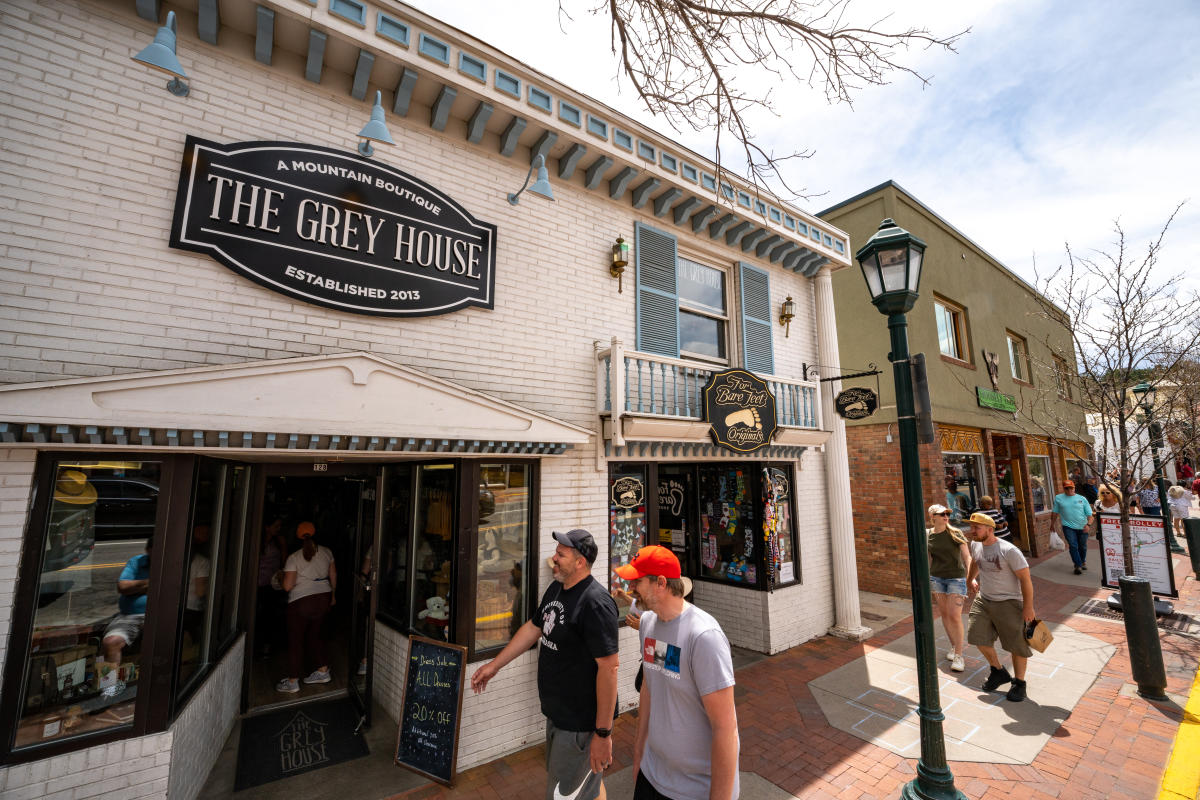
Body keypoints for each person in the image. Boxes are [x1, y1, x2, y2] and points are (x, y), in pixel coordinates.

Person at [471, 529, 619, 800]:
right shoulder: (558, 589)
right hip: (557, 715)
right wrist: (495, 665)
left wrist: (603, 733)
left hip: (580, 725)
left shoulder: (596, 604)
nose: (554, 559)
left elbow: (609, 670)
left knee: (564, 794)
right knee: (587, 787)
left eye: (560, 555)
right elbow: (533, 627)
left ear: (580, 562)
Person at [618, 546, 738, 800]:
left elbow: (725, 728)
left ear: (660, 583)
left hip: (694, 790)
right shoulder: (648, 625)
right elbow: (650, 685)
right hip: (651, 776)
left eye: (637, 581)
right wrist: (639, 750)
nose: (631, 589)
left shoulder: (704, 637)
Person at [965, 512, 1035, 703]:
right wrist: (970, 578)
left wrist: (1028, 607)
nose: (972, 531)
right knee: (977, 636)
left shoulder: (1009, 550)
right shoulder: (975, 544)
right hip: (984, 599)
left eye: (976, 528)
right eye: (971, 527)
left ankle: (1019, 683)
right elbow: (975, 560)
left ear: (989, 529)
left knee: (1016, 645)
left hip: (1009, 602)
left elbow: (1025, 579)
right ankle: (998, 671)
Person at [277, 521, 336, 693]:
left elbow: (288, 586)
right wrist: (333, 595)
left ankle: (293, 681)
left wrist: (280, 578)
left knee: (296, 640)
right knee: (316, 635)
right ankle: (323, 671)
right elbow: (333, 574)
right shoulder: (327, 551)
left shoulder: (293, 557)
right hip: (323, 597)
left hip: (301, 602)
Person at [100, 537, 152, 693]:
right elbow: (122, 586)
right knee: (110, 641)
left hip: (159, 615)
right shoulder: (137, 562)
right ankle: (107, 690)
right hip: (130, 616)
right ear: (148, 551)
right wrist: (149, 583)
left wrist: (136, 587)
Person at [927, 505, 971, 673]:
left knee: (954, 616)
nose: (946, 516)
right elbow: (929, 559)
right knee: (945, 614)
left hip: (956, 579)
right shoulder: (928, 535)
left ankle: (959, 655)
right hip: (937, 579)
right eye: (942, 514)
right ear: (933, 517)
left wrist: (970, 577)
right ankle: (954, 647)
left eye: (947, 514)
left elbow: (967, 556)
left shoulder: (956, 533)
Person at [255, 516, 287, 658]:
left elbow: (285, 562)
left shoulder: (279, 541)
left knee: (268, 616)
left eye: (279, 526)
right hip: (255, 584)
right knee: (256, 615)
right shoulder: (257, 540)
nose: (278, 529)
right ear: (267, 527)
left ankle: (266, 647)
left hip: (272, 584)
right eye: (276, 526)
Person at [1051, 481, 1094, 575]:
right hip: (1068, 527)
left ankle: (1082, 561)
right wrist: (1052, 524)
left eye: (1071, 488)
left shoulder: (1082, 499)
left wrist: (1088, 525)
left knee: (1082, 546)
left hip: (1083, 527)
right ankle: (1077, 565)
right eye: (1067, 488)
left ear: (1074, 487)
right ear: (1063, 488)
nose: (1069, 490)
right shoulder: (1059, 498)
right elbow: (1054, 512)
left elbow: (1090, 515)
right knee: (1073, 545)